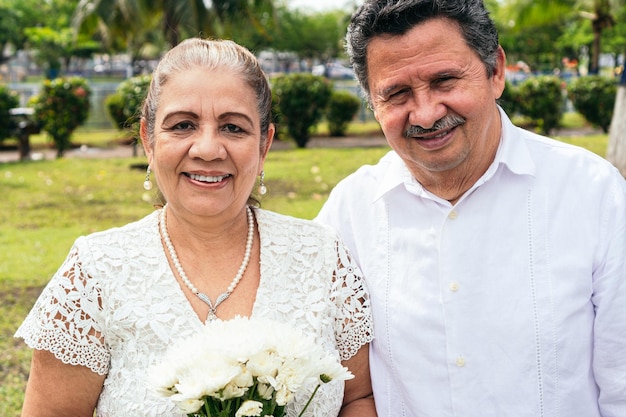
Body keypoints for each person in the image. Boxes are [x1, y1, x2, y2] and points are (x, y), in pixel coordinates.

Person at [15, 38, 375, 417]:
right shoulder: (93, 274)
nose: (207, 149)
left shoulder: (323, 256)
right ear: (148, 141)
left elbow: (358, 399)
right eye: (183, 125)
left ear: (264, 145)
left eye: (233, 128)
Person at [315, 1, 626, 416]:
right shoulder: (349, 213)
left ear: (495, 71)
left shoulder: (592, 192)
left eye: (445, 81)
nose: (426, 113)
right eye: (398, 94)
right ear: (373, 104)